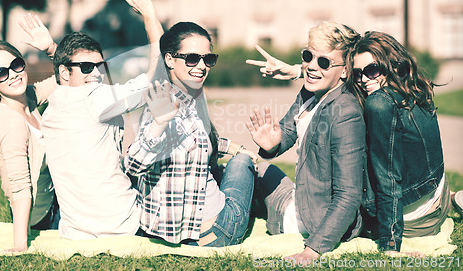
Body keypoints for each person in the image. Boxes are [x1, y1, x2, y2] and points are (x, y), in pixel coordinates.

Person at [41, 0, 164, 239]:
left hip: (75, 230)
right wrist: (151, 17)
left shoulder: (51, 108)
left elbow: (69, 76)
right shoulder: (96, 98)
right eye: (87, 68)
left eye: (100, 66)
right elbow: (158, 75)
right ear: (64, 71)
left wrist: (54, 49)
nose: (95, 74)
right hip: (122, 225)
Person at [124, 21, 258, 246]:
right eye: (192, 59)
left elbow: (194, 138)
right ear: (169, 59)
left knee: (240, 156)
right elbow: (133, 165)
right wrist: (159, 123)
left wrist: (232, 146)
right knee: (243, 164)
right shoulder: (162, 108)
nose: (202, 66)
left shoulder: (183, 99)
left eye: (208, 59)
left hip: (168, 230)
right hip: (216, 232)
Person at [245, 21, 366, 262]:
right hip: (303, 197)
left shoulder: (345, 112)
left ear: (345, 70)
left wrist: (312, 250)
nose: (311, 67)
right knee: (253, 164)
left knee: (243, 167)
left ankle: (222, 225)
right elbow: (288, 133)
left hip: (309, 221)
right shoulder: (311, 93)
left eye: (323, 62)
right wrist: (271, 144)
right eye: (308, 56)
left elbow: (349, 195)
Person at [347, 31, 452, 253]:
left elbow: (388, 179)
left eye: (372, 70)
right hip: (438, 197)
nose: (364, 79)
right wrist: (302, 70)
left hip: (415, 221)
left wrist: (390, 244)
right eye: (357, 74)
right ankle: (455, 200)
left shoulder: (379, 103)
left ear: (392, 65)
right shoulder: (412, 87)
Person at [0, 14, 59, 252]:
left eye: (16, 65)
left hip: (57, 202)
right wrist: (21, 244)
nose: (13, 74)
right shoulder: (10, 122)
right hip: (42, 218)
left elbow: (71, 76)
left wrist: (51, 48)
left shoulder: (27, 97)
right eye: (1, 73)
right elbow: (20, 188)